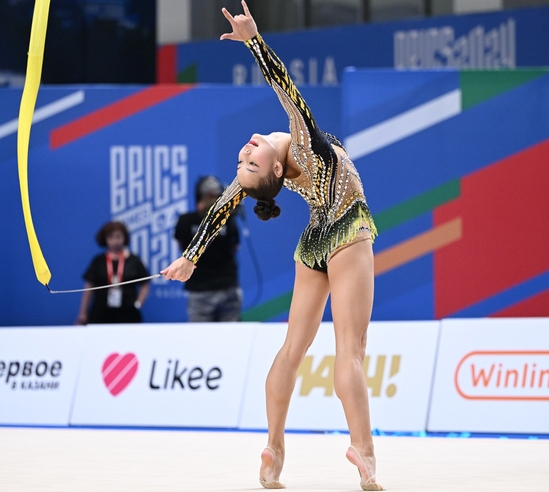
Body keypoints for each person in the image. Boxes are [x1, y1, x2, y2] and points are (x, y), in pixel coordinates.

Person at [161, 2, 383, 489]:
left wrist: (190, 257)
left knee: (291, 351)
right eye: (249, 165)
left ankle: (274, 447)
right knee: (350, 351)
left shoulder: (285, 163)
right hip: (346, 229)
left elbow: (221, 206)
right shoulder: (304, 148)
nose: (245, 154)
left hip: (314, 244)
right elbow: (289, 94)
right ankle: (363, 451)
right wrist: (255, 42)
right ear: (278, 173)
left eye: (245, 162)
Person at [175, 176, 243, 322]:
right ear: (200, 199)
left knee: (230, 338)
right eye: (210, 196)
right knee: (200, 340)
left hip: (227, 287)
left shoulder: (228, 220)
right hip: (199, 290)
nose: (213, 201)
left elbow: (236, 246)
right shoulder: (186, 221)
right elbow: (181, 245)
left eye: (216, 196)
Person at [77, 221, 150, 324]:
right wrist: (83, 312)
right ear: (105, 239)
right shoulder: (98, 261)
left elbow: (145, 283)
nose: (115, 241)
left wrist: (138, 303)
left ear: (125, 238)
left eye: (118, 237)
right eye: (111, 237)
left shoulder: (134, 260)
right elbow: (89, 287)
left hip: (128, 313)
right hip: (101, 313)